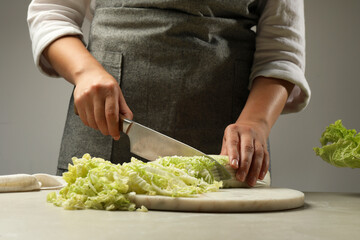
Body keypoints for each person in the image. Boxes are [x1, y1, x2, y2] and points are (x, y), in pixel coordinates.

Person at [27, 0, 310, 187]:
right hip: (102, 137)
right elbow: (51, 12)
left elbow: (282, 50)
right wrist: (85, 72)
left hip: (225, 153)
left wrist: (255, 123)